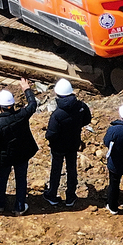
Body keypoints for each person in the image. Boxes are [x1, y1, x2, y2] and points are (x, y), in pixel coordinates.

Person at [0, 77, 37, 215]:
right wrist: (27, 89)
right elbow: (32, 104)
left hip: (4, 157)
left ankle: (0, 204)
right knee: (21, 179)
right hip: (21, 154)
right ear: (13, 105)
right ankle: (19, 206)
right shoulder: (22, 115)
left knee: (1, 179)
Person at [43, 78, 91, 207]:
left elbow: (51, 134)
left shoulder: (57, 114)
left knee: (56, 170)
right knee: (71, 169)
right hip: (73, 144)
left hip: (58, 147)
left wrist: (53, 140)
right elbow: (87, 120)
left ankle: (52, 194)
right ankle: (70, 196)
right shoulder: (81, 106)